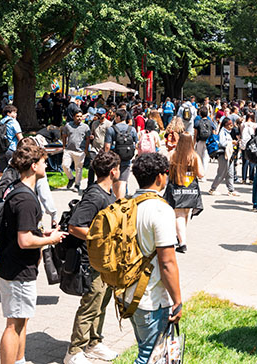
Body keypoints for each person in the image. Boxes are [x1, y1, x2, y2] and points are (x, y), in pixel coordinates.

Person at [0, 142, 68, 364]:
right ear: (34, 165)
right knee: (14, 323)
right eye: (44, 163)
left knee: (21, 320)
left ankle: (19, 360)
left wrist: (41, 232)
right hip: (17, 269)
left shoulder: (19, 190)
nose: (46, 167)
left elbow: (24, 230)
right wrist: (50, 239)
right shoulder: (26, 199)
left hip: (16, 267)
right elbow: (25, 240)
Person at [124, 153, 183, 364]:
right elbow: (167, 262)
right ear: (160, 177)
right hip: (150, 298)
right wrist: (177, 301)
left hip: (128, 293)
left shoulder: (127, 203)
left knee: (146, 350)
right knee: (149, 357)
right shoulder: (160, 209)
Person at [63, 151, 121, 364]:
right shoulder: (95, 195)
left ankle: (94, 343)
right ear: (113, 171)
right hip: (92, 260)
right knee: (91, 304)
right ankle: (74, 351)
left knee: (102, 302)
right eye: (118, 168)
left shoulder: (107, 193)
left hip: (105, 260)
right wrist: (100, 238)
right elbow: (75, 226)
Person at [165, 132, 204, 254]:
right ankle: (181, 237)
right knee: (184, 214)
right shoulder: (194, 156)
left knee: (179, 215)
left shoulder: (172, 154)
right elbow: (201, 174)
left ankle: (182, 242)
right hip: (190, 189)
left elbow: (165, 169)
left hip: (176, 188)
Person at [103, 109, 138, 199]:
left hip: (115, 158)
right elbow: (136, 144)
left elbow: (107, 146)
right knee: (123, 181)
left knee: (114, 180)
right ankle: (121, 200)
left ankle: (115, 198)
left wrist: (106, 157)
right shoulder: (132, 129)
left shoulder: (111, 129)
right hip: (127, 158)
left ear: (118, 117)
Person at [61, 111, 91, 194]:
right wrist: (64, 146)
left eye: (81, 116)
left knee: (78, 169)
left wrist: (85, 150)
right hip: (69, 150)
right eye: (77, 116)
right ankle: (71, 178)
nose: (79, 118)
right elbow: (64, 135)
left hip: (80, 151)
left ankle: (77, 185)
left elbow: (88, 138)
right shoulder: (68, 125)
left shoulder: (85, 127)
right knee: (65, 165)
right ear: (73, 117)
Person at [209, 117, 238, 197]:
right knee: (221, 173)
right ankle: (213, 189)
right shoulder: (222, 132)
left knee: (230, 173)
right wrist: (231, 142)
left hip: (229, 155)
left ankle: (231, 190)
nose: (231, 126)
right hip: (223, 155)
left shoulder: (228, 132)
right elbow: (222, 143)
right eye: (230, 124)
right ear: (226, 125)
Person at [0, 105, 24, 178]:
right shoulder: (13, 122)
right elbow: (20, 137)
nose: (16, 114)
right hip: (11, 149)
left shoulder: (0, 122)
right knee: (15, 172)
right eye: (14, 112)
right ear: (8, 113)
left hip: (0, 150)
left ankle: (0, 188)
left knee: (1, 173)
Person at [193, 106, 214, 174]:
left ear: (200, 114)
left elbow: (195, 134)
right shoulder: (210, 122)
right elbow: (214, 132)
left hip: (200, 141)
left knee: (199, 157)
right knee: (206, 157)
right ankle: (203, 174)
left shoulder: (198, 122)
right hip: (208, 141)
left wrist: (193, 143)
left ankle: (199, 171)